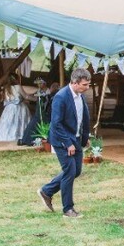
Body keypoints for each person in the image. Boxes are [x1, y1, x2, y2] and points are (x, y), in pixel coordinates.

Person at [38, 69, 92, 218]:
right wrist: (68, 143)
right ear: (74, 83)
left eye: (88, 84)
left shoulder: (80, 96)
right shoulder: (61, 97)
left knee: (77, 171)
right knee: (69, 171)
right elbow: (56, 124)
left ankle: (47, 191)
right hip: (62, 140)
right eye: (84, 85)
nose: (87, 87)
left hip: (76, 138)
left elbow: (80, 118)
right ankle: (68, 209)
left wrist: (84, 137)